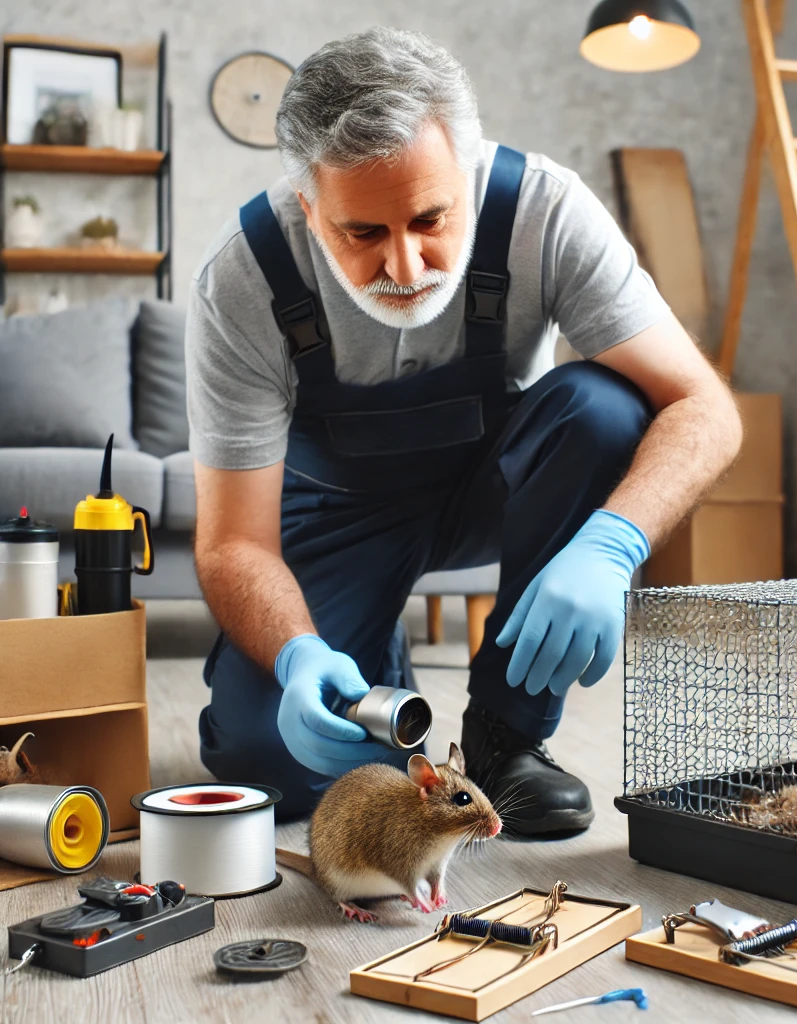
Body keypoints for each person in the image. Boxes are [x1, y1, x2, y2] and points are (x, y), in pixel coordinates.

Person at [186, 27, 742, 833]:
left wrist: (614, 541)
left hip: (497, 489)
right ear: (310, 208)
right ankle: (364, 661)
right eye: (363, 234)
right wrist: (296, 653)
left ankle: (506, 734)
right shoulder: (242, 278)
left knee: (606, 405)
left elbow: (704, 406)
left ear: (468, 178)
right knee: (273, 767)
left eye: (430, 218)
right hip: (338, 514)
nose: (407, 268)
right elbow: (233, 543)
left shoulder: (544, 212)